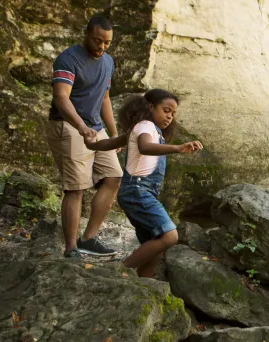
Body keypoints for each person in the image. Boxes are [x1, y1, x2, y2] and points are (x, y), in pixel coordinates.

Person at [85, 89, 203, 277]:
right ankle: (119, 271)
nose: (170, 116)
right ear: (150, 106)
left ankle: (142, 284)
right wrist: (177, 148)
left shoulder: (145, 130)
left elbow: (113, 142)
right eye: (166, 110)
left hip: (140, 191)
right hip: (138, 190)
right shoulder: (146, 126)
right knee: (170, 236)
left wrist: (92, 145)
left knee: (155, 247)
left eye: (173, 113)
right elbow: (145, 147)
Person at [46, 15, 123, 260]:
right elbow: (61, 97)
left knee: (114, 177)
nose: (101, 47)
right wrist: (80, 127)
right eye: (97, 40)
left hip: (95, 128)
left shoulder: (108, 62)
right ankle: (71, 249)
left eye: (107, 43)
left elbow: (104, 98)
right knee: (76, 188)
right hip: (68, 126)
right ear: (86, 33)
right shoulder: (68, 59)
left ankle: (88, 239)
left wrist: (113, 133)